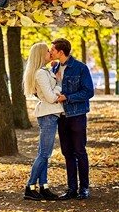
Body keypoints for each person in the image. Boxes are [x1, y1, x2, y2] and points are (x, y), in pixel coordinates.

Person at [50, 38, 94, 200]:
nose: (51, 52)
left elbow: (88, 91)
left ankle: (84, 188)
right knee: (67, 153)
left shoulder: (80, 68)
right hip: (61, 117)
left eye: (52, 50)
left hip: (76, 116)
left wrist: (67, 97)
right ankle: (71, 189)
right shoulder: (54, 68)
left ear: (61, 52)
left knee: (80, 151)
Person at [22, 43, 63, 202]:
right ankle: (29, 187)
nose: (50, 52)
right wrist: (59, 85)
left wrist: (55, 75)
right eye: (47, 51)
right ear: (41, 54)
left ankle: (43, 186)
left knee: (44, 154)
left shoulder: (44, 71)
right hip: (48, 115)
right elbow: (52, 98)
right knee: (45, 154)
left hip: (49, 115)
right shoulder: (40, 73)